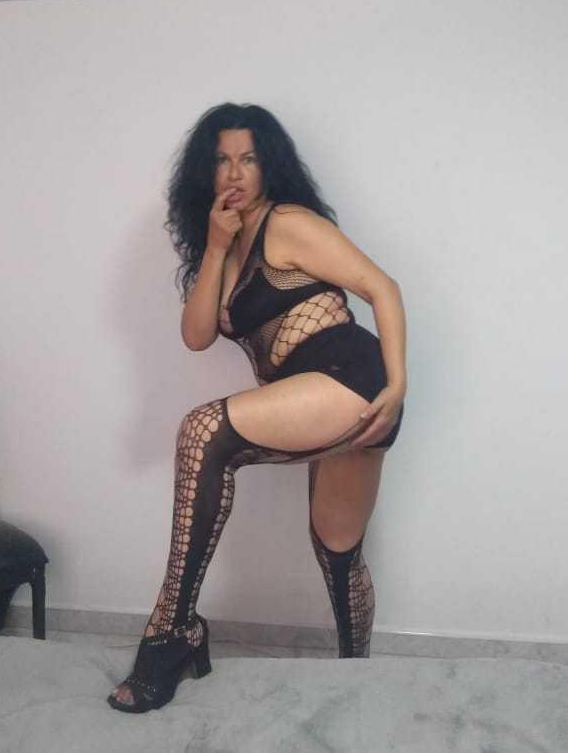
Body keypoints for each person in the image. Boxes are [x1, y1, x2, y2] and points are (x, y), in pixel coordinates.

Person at [108, 103, 407, 712]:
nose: (235, 173)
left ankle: (172, 631)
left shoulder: (287, 222)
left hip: (353, 379)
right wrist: (216, 247)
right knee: (338, 551)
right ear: (206, 171)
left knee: (203, 432)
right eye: (222, 160)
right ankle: (357, 679)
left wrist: (397, 385)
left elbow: (383, 287)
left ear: (269, 166)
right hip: (315, 395)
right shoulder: (225, 246)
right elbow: (196, 335)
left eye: (248, 159)